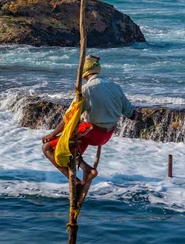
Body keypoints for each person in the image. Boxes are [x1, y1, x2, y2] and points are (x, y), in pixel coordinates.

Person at [41, 55, 140, 199]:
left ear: (84, 73)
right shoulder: (115, 86)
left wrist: (52, 135)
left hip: (92, 133)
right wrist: (140, 116)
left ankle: (78, 177)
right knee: (73, 149)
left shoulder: (85, 90)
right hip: (108, 134)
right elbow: (132, 114)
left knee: (47, 147)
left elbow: (69, 118)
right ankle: (86, 169)